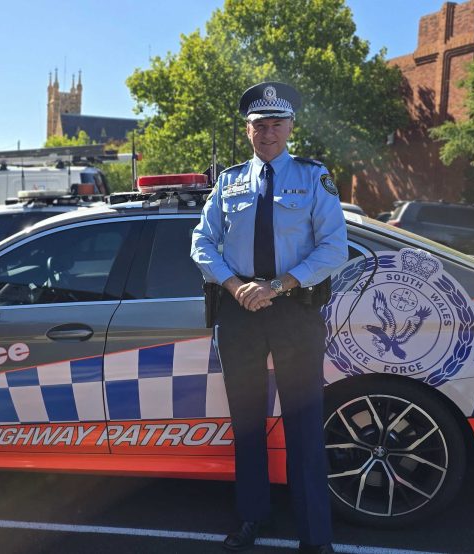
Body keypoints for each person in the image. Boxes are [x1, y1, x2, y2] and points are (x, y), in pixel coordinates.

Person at [191, 82, 348, 553]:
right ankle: (252, 518)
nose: (268, 133)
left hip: (294, 311)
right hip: (240, 312)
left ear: (290, 128)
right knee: (246, 424)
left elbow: (333, 247)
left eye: (276, 124)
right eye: (259, 125)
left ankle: (315, 536)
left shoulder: (313, 177)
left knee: (303, 424)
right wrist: (237, 286)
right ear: (248, 131)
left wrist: (278, 285)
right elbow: (201, 242)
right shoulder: (229, 182)